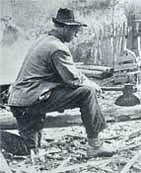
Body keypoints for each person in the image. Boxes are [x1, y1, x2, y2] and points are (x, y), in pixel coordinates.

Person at [8, 8, 115, 158]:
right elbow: (72, 79)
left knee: (29, 149)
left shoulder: (43, 40)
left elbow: (62, 75)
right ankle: (95, 145)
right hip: (31, 101)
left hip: (21, 102)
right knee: (87, 93)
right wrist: (92, 84)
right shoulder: (57, 48)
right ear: (65, 28)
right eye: (74, 31)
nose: (76, 35)